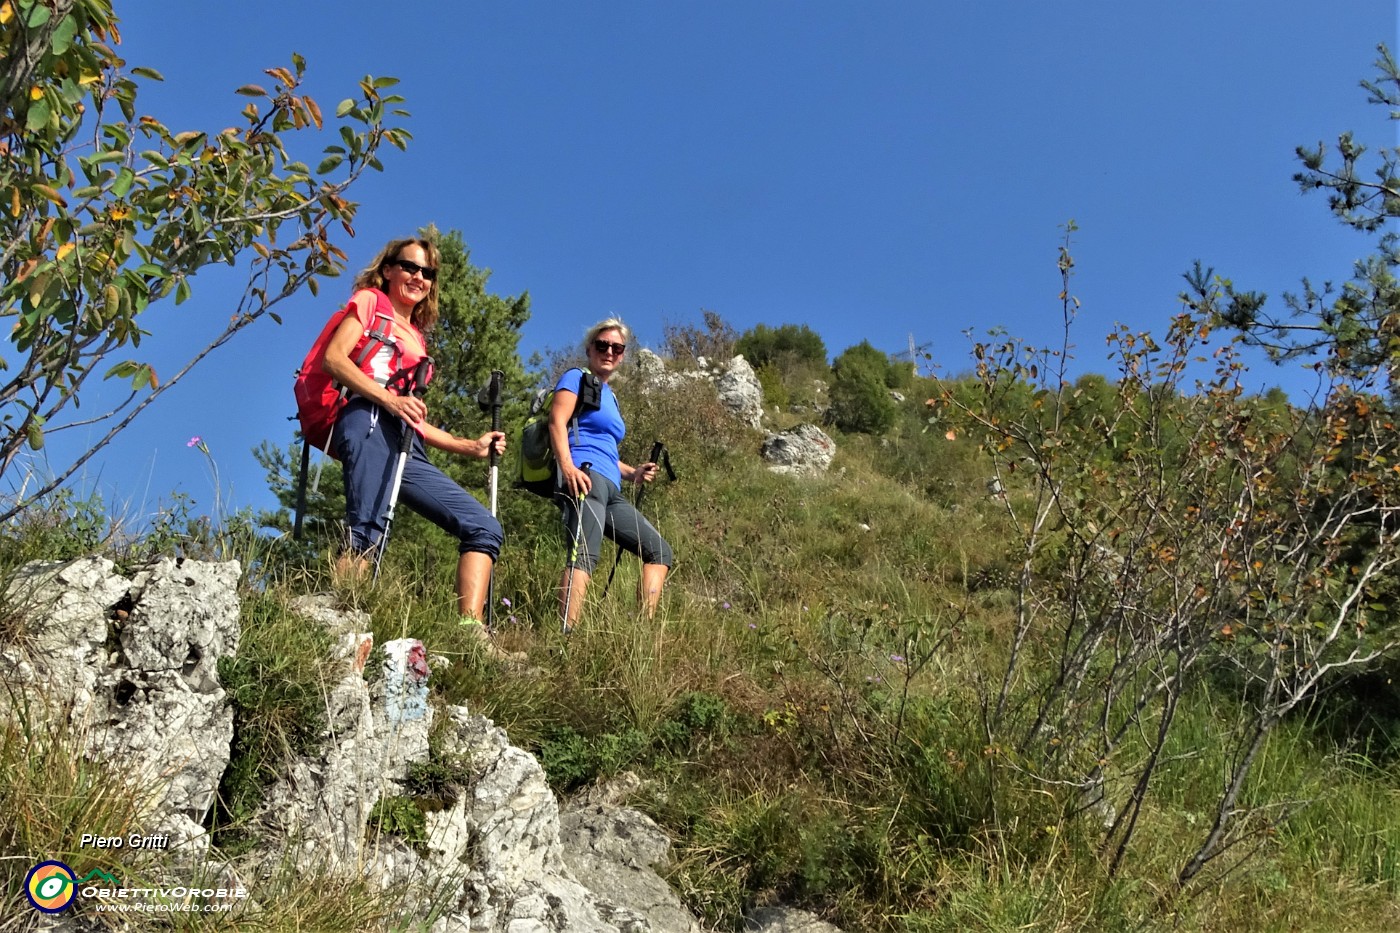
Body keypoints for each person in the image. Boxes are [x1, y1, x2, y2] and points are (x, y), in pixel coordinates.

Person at [322, 237, 518, 657]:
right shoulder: (370, 302)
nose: (418, 277)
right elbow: (335, 359)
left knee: (484, 526)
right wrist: (390, 399)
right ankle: (340, 623)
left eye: (427, 272)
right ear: (388, 269)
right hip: (369, 420)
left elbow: (416, 420)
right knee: (367, 530)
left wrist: (471, 446)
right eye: (410, 267)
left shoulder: (416, 335)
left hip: (405, 440)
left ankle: (471, 631)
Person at [549, 318, 673, 630]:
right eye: (602, 345)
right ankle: (566, 636)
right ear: (589, 349)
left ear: (622, 354)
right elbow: (557, 421)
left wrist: (633, 473)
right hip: (584, 478)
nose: (609, 352)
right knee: (585, 556)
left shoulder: (611, 396)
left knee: (659, 551)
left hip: (611, 487)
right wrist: (567, 467)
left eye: (617, 348)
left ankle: (641, 632)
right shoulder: (576, 378)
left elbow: (606, 450)